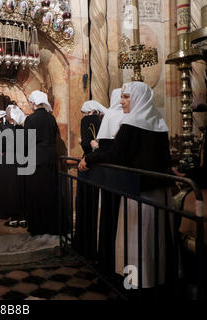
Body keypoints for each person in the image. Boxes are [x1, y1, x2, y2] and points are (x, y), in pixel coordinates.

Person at [79, 81, 173, 289]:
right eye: (122, 97)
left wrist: (91, 159)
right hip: (158, 192)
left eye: (127, 97)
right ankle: (155, 282)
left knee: (135, 244)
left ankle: (134, 285)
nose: (121, 102)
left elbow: (115, 155)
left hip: (138, 193)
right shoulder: (158, 121)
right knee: (153, 243)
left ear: (139, 99)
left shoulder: (132, 123)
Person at [22, 91, 65, 236]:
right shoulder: (51, 119)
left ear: (33, 103)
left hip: (35, 161)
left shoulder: (31, 120)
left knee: (36, 194)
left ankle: (37, 227)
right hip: (50, 160)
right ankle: (51, 226)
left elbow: (27, 143)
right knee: (49, 194)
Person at [94, 89, 125, 275]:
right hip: (126, 178)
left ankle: (108, 260)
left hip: (111, 174)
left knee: (110, 215)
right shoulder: (131, 116)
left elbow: (104, 146)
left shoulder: (111, 115)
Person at [74, 100, 107, 259]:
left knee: (86, 204)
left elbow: (87, 142)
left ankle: (85, 243)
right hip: (102, 167)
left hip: (89, 165)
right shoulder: (103, 120)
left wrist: (83, 142)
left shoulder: (87, 120)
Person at [0, 107, 25, 227]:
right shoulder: (22, 128)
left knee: (11, 190)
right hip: (21, 162)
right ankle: (23, 218)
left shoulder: (3, 129)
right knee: (21, 190)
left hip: (8, 165)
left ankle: (14, 219)